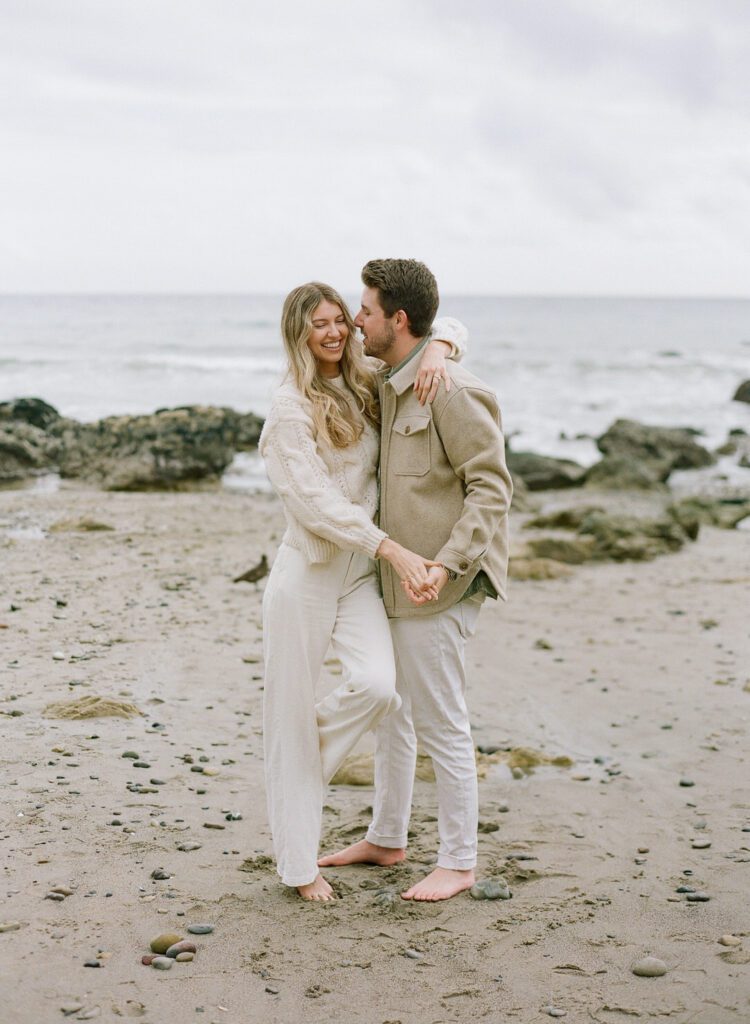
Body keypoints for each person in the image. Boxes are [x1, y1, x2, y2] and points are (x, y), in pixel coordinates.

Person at [259, 281, 467, 901]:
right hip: (308, 575)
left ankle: (293, 766)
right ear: (296, 333)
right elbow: (317, 505)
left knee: (378, 689)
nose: (330, 332)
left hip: (358, 580)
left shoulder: (367, 379)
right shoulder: (287, 410)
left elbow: (446, 320)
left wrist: (440, 347)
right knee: (290, 712)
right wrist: (394, 549)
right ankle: (299, 869)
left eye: (337, 320)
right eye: (315, 324)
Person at [318, 259, 513, 901]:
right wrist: (443, 338)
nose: (354, 321)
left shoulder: (451, 390)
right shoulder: (385, 375)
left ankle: (459, 861)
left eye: (366, 311)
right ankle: (388, 837)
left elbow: (491, 487)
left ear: (398, 319)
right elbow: (440, 326)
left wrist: (446, 563)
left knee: (440, 722)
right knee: (394, 716)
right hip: (395, 580)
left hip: (444, 582)